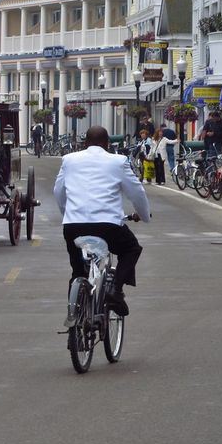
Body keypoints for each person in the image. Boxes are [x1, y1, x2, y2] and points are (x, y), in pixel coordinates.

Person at [54, 126, 151, 317]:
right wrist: (144, 215)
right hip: (108, 226)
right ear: (107, 144)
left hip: (73, 226)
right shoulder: (118, 161)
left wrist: (68, 214)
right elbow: (136, 192)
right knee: (131, 249)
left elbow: (58, 192)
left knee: (77, 272)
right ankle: (115, 290)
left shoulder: (69, 160)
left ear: (84, 143)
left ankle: (74, 313)